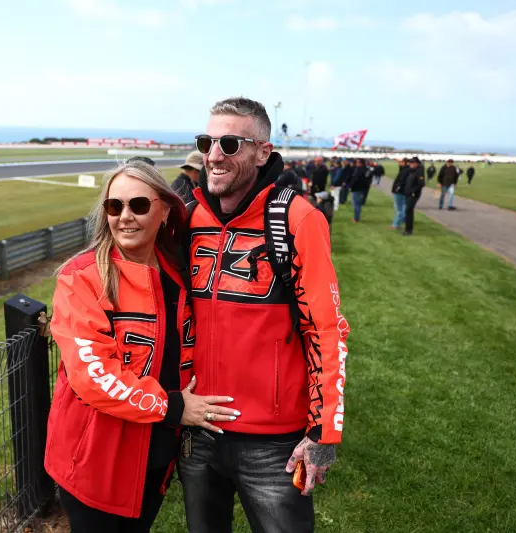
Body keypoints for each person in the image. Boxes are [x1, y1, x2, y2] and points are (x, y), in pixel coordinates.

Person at [182, 97, 349, 533]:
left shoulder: (296, 218)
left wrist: (324, 434)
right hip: (198, 427)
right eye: (206, 142)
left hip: (273, 442)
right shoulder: (190, 216)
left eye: (230, 144)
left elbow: (326, 330)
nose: (214, 155)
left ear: (263, 152)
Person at [46, 161, 239, 532]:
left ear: (164, 210)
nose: (125, 216)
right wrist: (174, 407)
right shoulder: (82, 278)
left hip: (156, 456)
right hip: (95, 465)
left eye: (137, 204)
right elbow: (93, 377)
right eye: (114, 206)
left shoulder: (178, 273)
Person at [403, 157, 426, 236]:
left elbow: (421, 184)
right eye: (410, 163)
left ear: (416, 163)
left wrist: (412, 191)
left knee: (409, 210)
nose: (410, 164)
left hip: (413, 194)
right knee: (408, 211)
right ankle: (407, 229)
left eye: (412, 163)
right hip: (408, 194)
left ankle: (408, 230)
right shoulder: (412, 170)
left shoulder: (419, 171)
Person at [349, 158, 371, 223]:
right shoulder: (367, 170)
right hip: (363, 189)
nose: (356, 164)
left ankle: (356, 219)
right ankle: (357, 217)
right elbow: (369, 179)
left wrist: (350, 186)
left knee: (356, 204)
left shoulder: (359, 170)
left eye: (357, 162)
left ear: (360, 163)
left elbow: (355, 179)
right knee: (358, 204)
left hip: (357, 189)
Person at [391, 158, 409, 230]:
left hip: (400, 192)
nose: (399, 163)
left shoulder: (405, 171)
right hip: (403, 191)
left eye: (401, 162)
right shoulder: (405, 169)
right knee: (402, 207)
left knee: (399, 209)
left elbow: (401, 182)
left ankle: (396, 225)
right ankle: (400, 221)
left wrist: (396, 189)